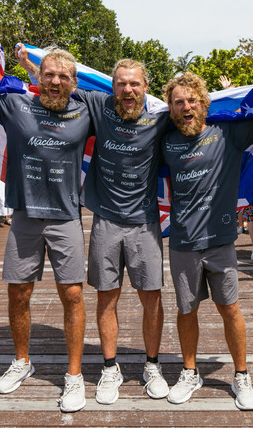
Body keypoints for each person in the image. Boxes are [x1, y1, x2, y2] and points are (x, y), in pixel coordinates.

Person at [19, 51, 172, 405]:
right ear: (113, 87)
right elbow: (58, 88)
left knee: (152, 298)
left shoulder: (161, 118)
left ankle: (152, 365)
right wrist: (30, 66)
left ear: (146, 87)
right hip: (104, 218)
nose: (128, 90)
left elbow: (196, 113)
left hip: (145, 222)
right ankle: (109, 367)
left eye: (135, 84)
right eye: (121, 84)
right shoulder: (99, 104)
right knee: (107, 297)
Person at [0, 39, 92, 413]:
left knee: (73, 296)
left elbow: (130, 114)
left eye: (63, 76)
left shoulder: (85, 109)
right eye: (48, 74)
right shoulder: (17, 104)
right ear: (39, 77)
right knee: (19, 292)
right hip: (24, 216)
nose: (55, 81)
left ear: (73, 81)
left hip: (66, 215)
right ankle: (22, 361)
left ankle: (74, 375)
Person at [160, 69, 253, 411]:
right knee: (186, 309)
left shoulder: (227, 131)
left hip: (220, 239)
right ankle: (190, 372)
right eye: (178, 102)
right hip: (183, 241)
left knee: (230, 308)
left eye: (191, 100)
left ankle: (241, 375)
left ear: (203, 103)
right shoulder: (166, 139)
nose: (185, 107)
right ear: (170, 108)